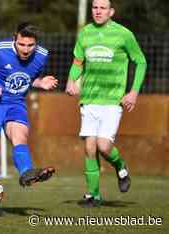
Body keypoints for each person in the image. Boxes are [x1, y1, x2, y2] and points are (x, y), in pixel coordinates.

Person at [65, 0, 147, 208]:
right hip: (89, 100)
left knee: (103, 146)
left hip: (112, 101)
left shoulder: (124, 34)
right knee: (89, 148)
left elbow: (141, 61)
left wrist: (134, 92)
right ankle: (93, 196)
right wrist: (71, 80)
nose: (98, 11)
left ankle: (121, 167)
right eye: (94, 7)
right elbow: (78, 62)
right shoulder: (85, 33)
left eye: (103, 7)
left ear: (111, 11)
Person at [0, 22, 58, 217]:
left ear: (36, 44)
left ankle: (27, 173)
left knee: (20, 137)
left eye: (30, 46)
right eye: (21, 44)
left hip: (16, 103)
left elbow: (27, 79)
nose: (26, 50)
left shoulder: (42, 55)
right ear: (15, 38)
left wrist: (41, 82)